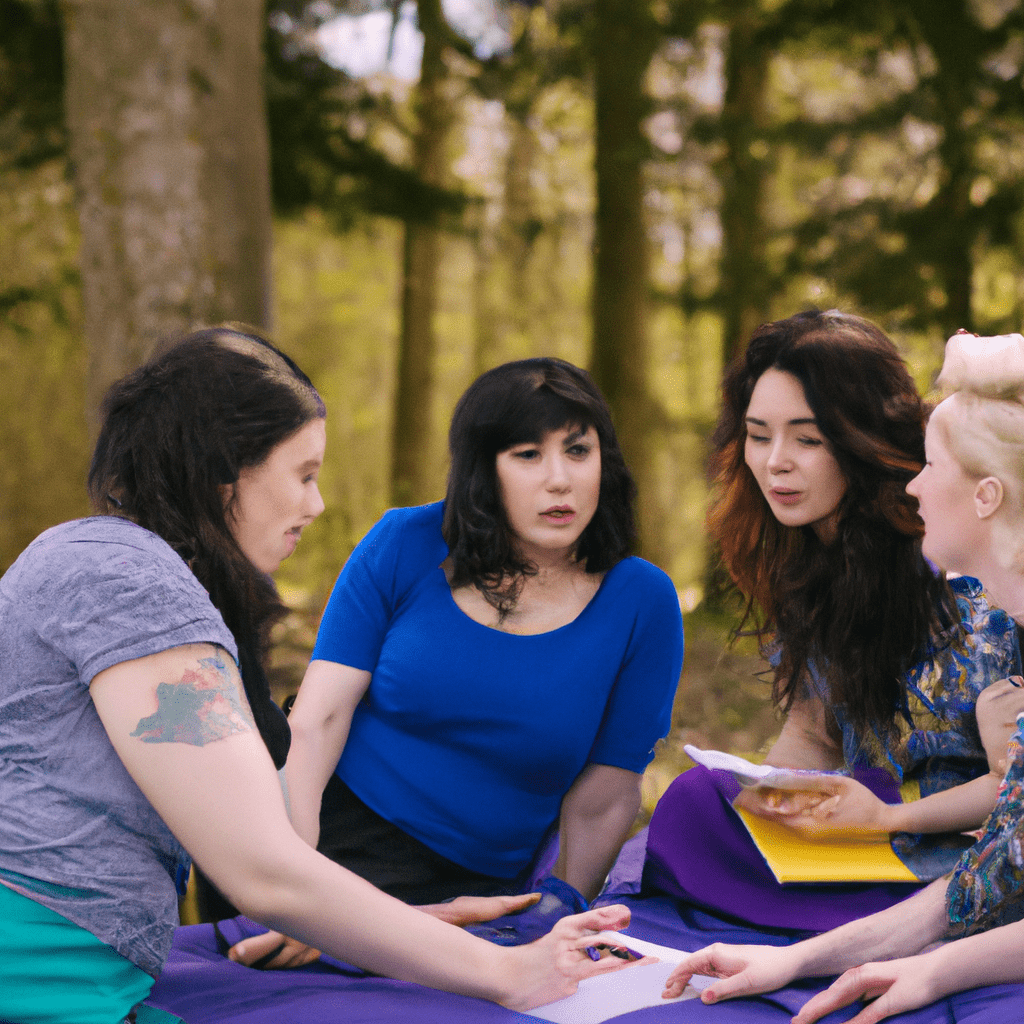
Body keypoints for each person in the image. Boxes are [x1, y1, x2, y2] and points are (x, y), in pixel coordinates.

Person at [0, 328, 642, 1024]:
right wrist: (506, 972)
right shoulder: (127, 582)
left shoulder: (119, 568)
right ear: (226, 472)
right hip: (38, 971)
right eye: (303, 474)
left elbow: (255, 849)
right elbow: (263, 868)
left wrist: (415, 925)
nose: (317, 505)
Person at [230, 356, 685, 970]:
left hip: (478, 881)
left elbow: (607, 791)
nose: (560, 480)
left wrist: (560, 904)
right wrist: (297, 889)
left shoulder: (643, 602)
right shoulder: (404, 542)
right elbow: (318, 721)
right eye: (527, 455)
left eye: (579, 452)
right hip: (326, 830)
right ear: (483, 469)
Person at [661, 329, 1024, 1023]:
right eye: (758, 435)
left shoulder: (973, 576)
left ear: (859, 441)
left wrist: (889, 819)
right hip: (878, 831)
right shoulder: (808, 571)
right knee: (696, 805)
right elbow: (812, 733)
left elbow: (1009, 807)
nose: (775, 463)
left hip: (947, 841)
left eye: (806, 438)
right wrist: (779, 798)